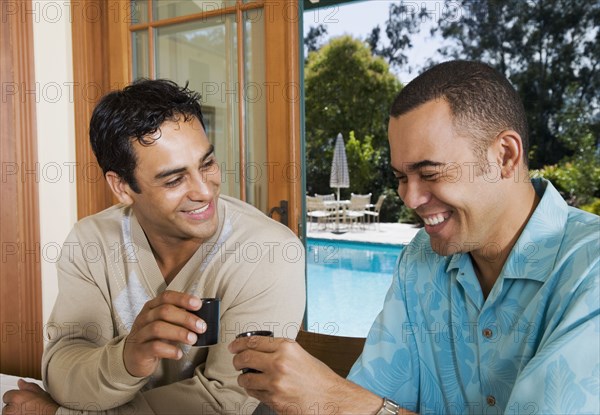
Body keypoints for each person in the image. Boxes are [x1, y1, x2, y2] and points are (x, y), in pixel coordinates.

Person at [229, 60, 600, 414]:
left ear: (504, 156)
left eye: (431, 173)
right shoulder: (421, 260)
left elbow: (356, 405)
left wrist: (340, 400)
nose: (409, 198)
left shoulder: (589, 270)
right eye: (402, 177)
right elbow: (373, 391)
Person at [2, 79, 305, 414]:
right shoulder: (92, 241)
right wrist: (127, 360)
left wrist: (54, 414)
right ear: (121, 186)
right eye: (174, 180)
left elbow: (220, 405)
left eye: (207, 164)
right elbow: (63, 369)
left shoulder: (270, 252)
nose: (204, 191)